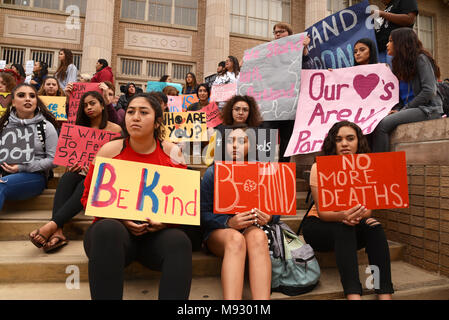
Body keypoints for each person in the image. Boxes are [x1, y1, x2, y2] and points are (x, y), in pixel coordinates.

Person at [81, 93, 193, 300]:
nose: (135, 117)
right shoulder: (109, 151)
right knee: (107, 228)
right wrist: (121, 218)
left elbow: (182, 204)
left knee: (179, 241)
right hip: (112, 239)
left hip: (155, 239)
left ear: (158, 121)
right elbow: (88, 198)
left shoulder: (173, 153)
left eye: (143, 112)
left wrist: (165, 223)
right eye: (131, 111)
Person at [302, 121, 394, 300]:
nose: (344, 144)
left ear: (358, 142)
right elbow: (323, 213)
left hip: (353, 223)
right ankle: (353, 294)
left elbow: (367, 212)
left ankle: (384, 293)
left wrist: (353, 216)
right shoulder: (319, 167)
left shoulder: (368, 167)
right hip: (319, 226)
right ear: (333, 144)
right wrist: (343, 216)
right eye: (339, 139)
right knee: (343, 227)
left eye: (350, 138)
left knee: (374, 226)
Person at [29, 91, 121, 252]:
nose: (88, 108)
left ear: (102, 104)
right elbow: (68, 160)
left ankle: (52, 225)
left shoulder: (116, 129)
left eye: (92, 103)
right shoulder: (79, 129)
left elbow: (119, 160)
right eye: (85, 105)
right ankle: (57, 230)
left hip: (103, 179)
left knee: (86, 181)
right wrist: (71, 166)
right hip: (79, 174)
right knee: (67, 177)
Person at [201, 124, 280, 299]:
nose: (235, 145)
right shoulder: (212, 173)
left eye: (242, 141)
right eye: (230, 141)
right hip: (219, 233)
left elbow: (275, 209)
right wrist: (227, 223)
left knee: (259, 237)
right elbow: (202, 213)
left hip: (251, 229)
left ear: (250, 146)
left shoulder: (261, 171)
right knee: (235, 238)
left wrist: (270, 216)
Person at [372, 27, 443, 153]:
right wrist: (397, 110)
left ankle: (381, 166)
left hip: (428, 109)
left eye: (390, 41)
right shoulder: (398, 66)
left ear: (401, 43)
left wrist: (405, 109)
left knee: (382, 125)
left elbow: (429, 90)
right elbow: (401, 97)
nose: (387, 44)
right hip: (410, 109)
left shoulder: (421, 59)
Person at [0, 84, 59, 210]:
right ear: (13, 102)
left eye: (32, 96)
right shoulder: (3, 126)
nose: (28, 99)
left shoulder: (46, 127)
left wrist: (21, 167)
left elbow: (54, 159)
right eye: (21, 95)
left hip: (34, 176)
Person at [264, 22, 315, 162]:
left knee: (287, 139)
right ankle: (263, 169)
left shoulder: (299, 50)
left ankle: (283, 171)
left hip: (289, 104)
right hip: (270, 104)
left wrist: (304, 49)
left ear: (290, 34)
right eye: (275, 32)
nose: (278, 34)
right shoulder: (267, 51)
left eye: (281, 31)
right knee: (266, 136)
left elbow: (309, 70)